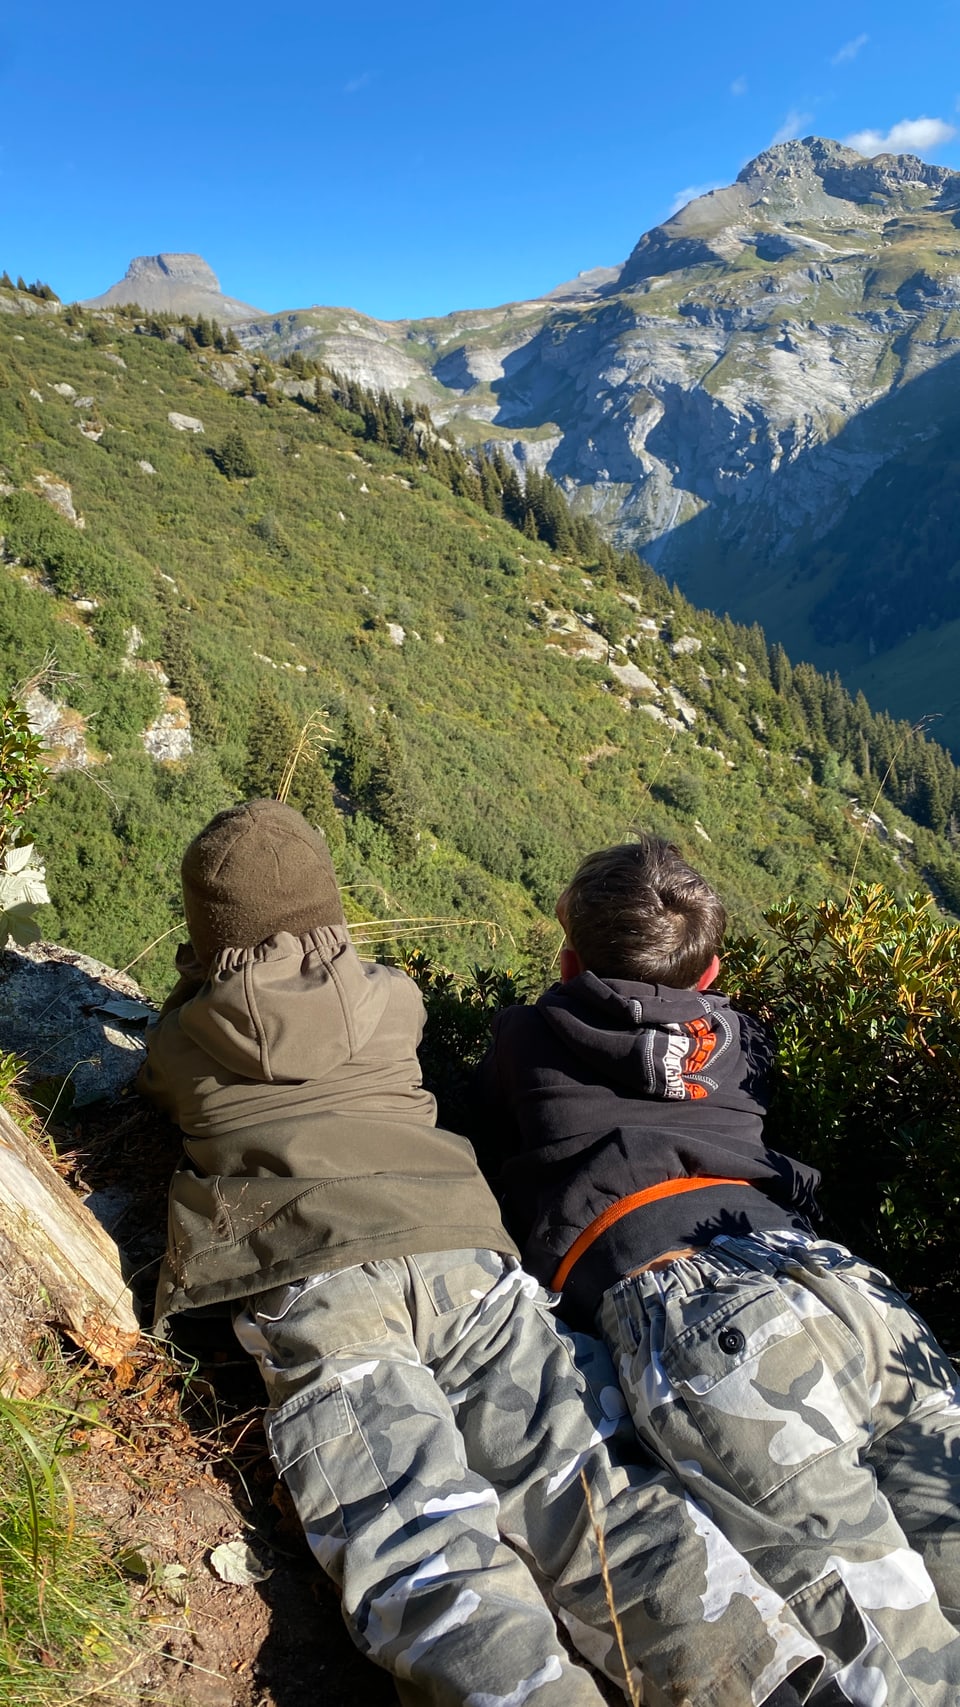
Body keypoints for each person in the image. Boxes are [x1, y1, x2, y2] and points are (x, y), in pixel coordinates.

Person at [138, 800, 825, 1707]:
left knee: (418, 1539)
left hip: (321, 1277)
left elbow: (166, 1076)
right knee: (586, 1479)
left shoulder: (187, 1041)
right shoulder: (391, 1000)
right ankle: (762, 1679)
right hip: (463, 1248)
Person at [479, 836, 960, 1707]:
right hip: (833, 1277)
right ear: (712, 976)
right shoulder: (738, 1036)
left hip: (699, 1308)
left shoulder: (527, 1034)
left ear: (565, 960)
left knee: (885, 1641)